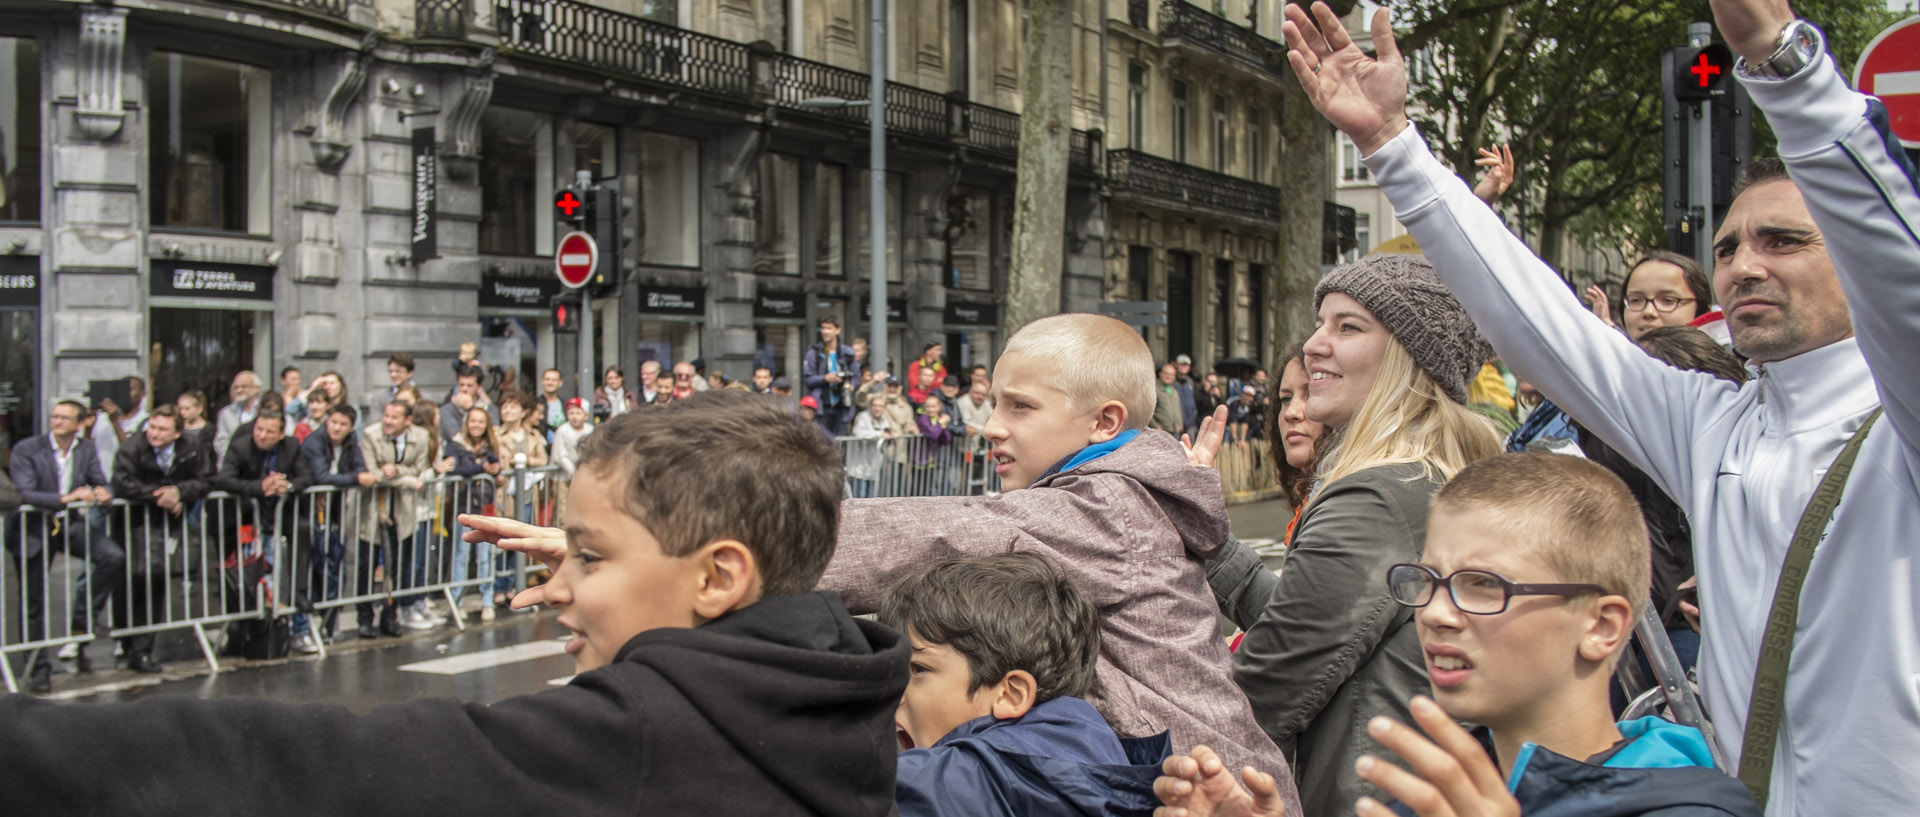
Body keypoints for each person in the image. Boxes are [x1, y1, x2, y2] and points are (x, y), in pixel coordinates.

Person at [1279, 1, 1919, 809]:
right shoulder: (1716, 421)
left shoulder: (1901, 422)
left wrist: (1784, 65)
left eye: (1785, 241)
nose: (1745, 266)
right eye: (1726, 248)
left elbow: (1904, 272)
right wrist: (1392, 147)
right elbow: (1541, 326)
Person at [0, 392, 910, 817]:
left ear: (717, 577)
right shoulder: (833, 677)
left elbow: (298, 767)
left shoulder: (647, 732)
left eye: (588, 555)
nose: (559, 586)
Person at [1158, 453, 1761, 817]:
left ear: (1601, 626)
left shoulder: (1692, 807)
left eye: (1482, 586)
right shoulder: (1420, 794)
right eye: (1427, 580)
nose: (1437, 614)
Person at [1204, 253, 1502, 817]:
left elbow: (1269, 686)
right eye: (1322, 323)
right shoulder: (1423, 478)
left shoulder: (1378, 495)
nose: (1315, 344)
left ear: (1411, 360)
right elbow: (1319, 630)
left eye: (1348, 326)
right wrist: (1209, 537)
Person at [884, 552, 1166, 816]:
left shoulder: (992, 775)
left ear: (1011, 694)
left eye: (918, 669)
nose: (893, 693)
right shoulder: (1090, 755)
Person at [9, 399, 123, 693]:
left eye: (64, 418)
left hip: (68, 525)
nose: (57, 421)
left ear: (80, 423)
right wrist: (66, 498)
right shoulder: (27, 448)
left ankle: (81, 621)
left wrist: (104, 493)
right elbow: (23, 492)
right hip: (33, 526)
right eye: (54, 416)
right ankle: (37, 668)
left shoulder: (84, 448)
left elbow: (101, 480)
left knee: (112, 557)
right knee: (32, 600)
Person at [110, 405, 212, 674]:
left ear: (177, 432)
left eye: (162, 429)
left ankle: (143, 650)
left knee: (155, 583)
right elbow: (121, 483)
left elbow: (206, 479)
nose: (154, 433)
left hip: (166, 528)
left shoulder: (191, 448)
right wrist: (161, 496)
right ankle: (124, 638)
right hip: (131, 526)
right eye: (152, 427)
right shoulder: (132, 447)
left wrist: (180, 491)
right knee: (129, 584)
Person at [288, 404, 378, 652]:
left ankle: (329, 624)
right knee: (308, 572)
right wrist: (355, 479)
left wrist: (355, 476)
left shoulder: (351, 443)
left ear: (351, 427)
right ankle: (301, 627)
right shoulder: (314, 442)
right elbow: (320, 476)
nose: (337, 428)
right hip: (306, 515)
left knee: (334, 569)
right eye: (334, 422)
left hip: (333, 514)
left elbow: (360, 468)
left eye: (343, 424)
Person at [360, 401, 432, 638]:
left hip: (403, 511)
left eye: (394, 417)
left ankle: (390, 617)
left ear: (407, 420)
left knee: (399, 566)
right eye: (386, 415)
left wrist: (398, 471)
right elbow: (372, 475)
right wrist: (406, 478)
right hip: (374, 509)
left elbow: (420, 469)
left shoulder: (420, 437)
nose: (388, 421)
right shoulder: (371, 435)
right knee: (367, 566)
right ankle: (364, 618)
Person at [213, 412, 310, 563]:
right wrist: (260, 486)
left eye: (269, 431)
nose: (262, 435)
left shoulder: (291, 445)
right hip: (246, 511)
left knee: (302, 529)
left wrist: (287, 485)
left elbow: (306, 476)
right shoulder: (240, 447)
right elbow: (224, 480)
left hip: (279, 509)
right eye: (259, 429)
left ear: (281, 434)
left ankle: (298, 585)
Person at [442, 405, 502, 621]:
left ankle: (487, 601)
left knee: (486, 557)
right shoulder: (455, 445)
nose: (476, 425)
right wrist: (481, 469)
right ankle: (456, 601)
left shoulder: (490, 446)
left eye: (481, 421)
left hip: (485, 505)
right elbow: (454, 469)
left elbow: (496, 468)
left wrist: (496, 472)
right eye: (473, 421)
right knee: (461, 556)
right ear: (467, 423)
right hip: (463, 506)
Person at [1264, 344, 1329, 541]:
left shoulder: (1355, 501)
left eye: (1310, 394)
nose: (1291, 412)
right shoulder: (1313, 495)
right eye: (1285, 399)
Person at [493, 391, 550, 610]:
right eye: (504, 406)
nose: (507, 410)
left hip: (527, 494)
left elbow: (543, 460)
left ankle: (515, 586)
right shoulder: (496, 435)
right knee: (500, 541)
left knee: (521, 541)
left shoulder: (532, 435)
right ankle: (500, 585)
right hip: (504, 495)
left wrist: (527, 460)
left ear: (523, 411)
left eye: (512, 406)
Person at [802, 316, 862, 437]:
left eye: (829, 328)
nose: (825, 332)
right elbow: (807, 379)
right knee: (822, 444)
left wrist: (850, 385)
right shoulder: (813, 353)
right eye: (823, 328)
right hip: (821, 407)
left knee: (841, 445)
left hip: (842, 406)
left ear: (837, 330)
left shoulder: (848, 353)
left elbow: (856, 377)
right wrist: (826, 378)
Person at [847, 394, 896, 499]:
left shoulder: (884, 420)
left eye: (880, 406)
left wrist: (891, 435)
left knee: (871, 500)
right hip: (859, 469)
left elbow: (886, 433)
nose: (877, 408)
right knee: (859, 500)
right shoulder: (862, 417)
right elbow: (858, 433)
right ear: (870, 406)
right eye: (875, 405)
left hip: (874, 468)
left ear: (885, 408)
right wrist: (879, 435)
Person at [213, 370, 263, 470]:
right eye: (236, 387)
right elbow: (221, 442)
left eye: (244, 387)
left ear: (256, 389)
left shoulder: (265, 410)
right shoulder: (225, 414)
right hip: (234, 467)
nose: (239, 390)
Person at [440, 366, 497, 441]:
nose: (464, 389)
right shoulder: (447, 409)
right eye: (461, 385)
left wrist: (471, 408)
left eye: (469, 386)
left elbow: (494, 435)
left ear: (478, 387)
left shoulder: (490, 408)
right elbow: (454, 436)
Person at [1152, 363, 1185, 435]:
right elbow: (1148, 411)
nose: (1168, 376)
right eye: (1166, 373)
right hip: (1159, 432)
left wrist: (1179, 425)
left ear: (1174, 377)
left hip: (1174, 431)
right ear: (1160, 374)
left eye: (1171, 375)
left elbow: (1178, 409)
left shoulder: (1174, 391)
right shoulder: (1153, 389)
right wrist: (1156, 426)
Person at [536, 368, 566, 442]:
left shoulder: (566, 404)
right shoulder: (535, 403)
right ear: (542, 381)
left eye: (554, 380)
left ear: (560, 383)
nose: (550, 382)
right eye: (547, 379)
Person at [1173, 354, 1199, 435]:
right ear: (1176, 365)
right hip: (1176, 425)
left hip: (1191, 424)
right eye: (1181, 365)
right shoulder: (1172, 382)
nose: (1184, 367)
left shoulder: (1191, 382)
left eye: (1186, 365)